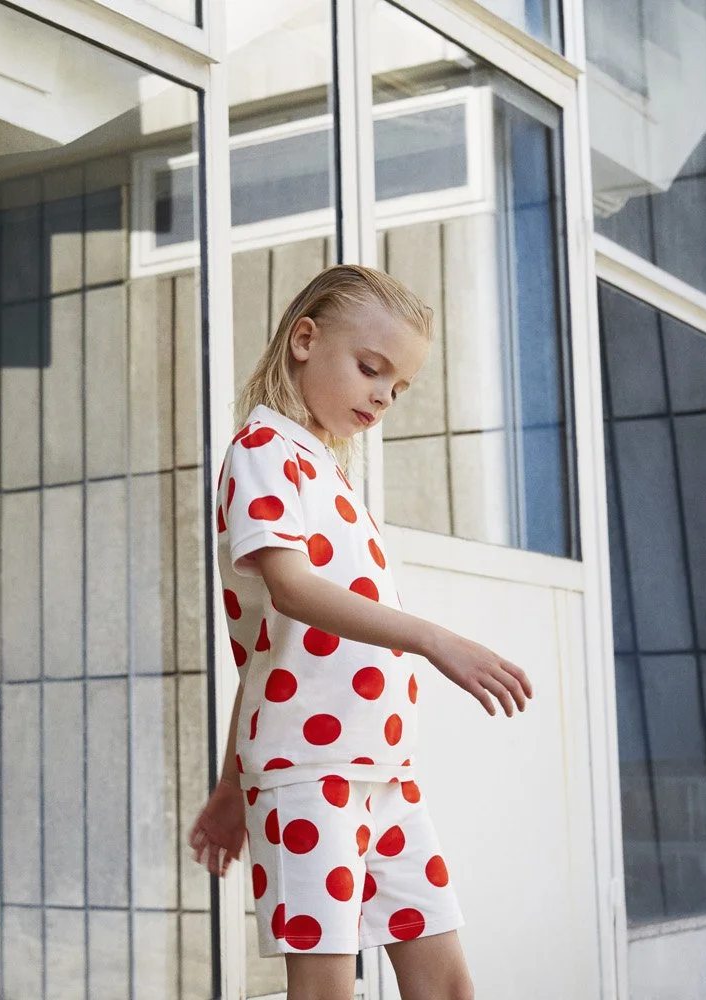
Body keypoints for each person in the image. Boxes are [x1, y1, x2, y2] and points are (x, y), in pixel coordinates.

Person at [188, 265, 532, 1000]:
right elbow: (291, 589)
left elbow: (268, 656)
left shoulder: (329, 474)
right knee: (327, 990)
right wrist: (434, 639)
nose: (383, 395)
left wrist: (228, 788)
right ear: (305, 340)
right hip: (308, 777)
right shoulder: (262, 450)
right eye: (371, 368)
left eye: (398, 387)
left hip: (383, 770)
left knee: (447, 986)